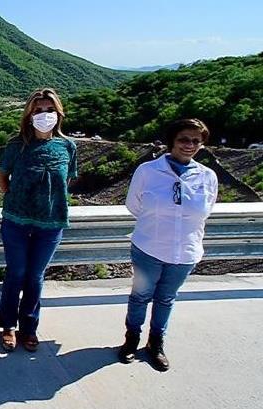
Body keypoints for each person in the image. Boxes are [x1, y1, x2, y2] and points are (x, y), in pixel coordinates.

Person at [118, 118, 218, 371]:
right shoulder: (148, 171)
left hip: (185, 251)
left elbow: (205, 211)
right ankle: (131, 340)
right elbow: (134, 206)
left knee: (166, 299)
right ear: (172, 140)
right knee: (140, 296)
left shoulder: (207, 177)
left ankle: (156, 343)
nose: (190, 145)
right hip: (148, 248)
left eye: (196, 141)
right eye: (184, 139)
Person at [0, 88, 77, 352]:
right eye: (39, 110)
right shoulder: (16, 145)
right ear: (29, 114)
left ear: (58, 113)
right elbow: (2, 178)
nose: (44, 115)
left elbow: (67, 179)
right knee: (16, 273)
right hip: (16, 221)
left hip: (51, 223)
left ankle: (28, 328)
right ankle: (8, 326)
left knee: (35, 276)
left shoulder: (67, 146)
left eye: (49, 110)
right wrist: (16, 199)